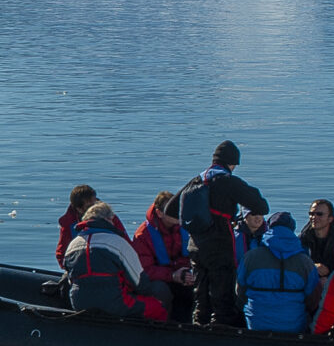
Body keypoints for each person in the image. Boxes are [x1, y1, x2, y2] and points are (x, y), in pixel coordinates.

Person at [177, 141, 269, 328]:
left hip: (195, 244)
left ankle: (198, 327)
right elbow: (261, 206)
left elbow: (172, 207)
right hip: (219, 244)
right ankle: (221, 330)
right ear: (232, 163)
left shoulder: (196, 180)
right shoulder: (228, 181)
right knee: (222, 293)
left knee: (200, 291)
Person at [61, 202, 163, 320]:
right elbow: (139, 281)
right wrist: (151, 293)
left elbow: (70, 279)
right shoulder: (117, 242)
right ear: (108, 220)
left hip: (79, 302)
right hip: (113, 303)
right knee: (157, 307)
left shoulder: (72, 245)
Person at [239, 209, 322, 335]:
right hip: (294, 324)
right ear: (292, 229)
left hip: (256, 323)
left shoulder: (251, 257)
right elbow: (313, 298)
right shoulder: (305, 262)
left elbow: (240, 291)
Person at [133, 192, 196, 324]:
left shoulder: (185, 227)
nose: (177, 213)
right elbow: (144, 270)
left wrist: (186, 272)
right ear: (160, 213)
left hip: (180, 275)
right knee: (161, 291)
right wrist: (172, 275)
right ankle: (162, 326)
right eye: (172, 210)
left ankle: (195, 324)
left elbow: (192, 254)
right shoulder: (143, 236)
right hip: (159, 279)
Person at [299, 200, 334, 276]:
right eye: (311, 214)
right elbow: (294, 264)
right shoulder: (301, 240)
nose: (314, 217)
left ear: (330, 218)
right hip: (310, 282)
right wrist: (312, 266)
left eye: (319, 214)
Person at [56, 184, 99, 263]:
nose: (93, 209)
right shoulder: (68, 224)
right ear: (78, 209)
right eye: (89, 206)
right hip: (79, 268)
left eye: (95, 204)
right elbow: (62, 254)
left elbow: (124, 240)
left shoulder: (109, 217)